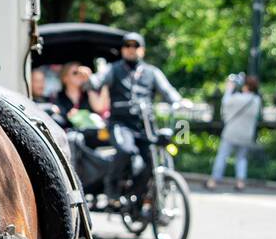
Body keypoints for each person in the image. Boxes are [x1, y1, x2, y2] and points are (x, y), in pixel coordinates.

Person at [75, 32, 185, 201]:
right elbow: (98, 80)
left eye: (135, 46)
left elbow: (168, 91)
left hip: (145, 126)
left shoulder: (152, 72)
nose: (131, 49)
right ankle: (111, 186)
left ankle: (138, 197)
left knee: (152, 159)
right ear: (122, 49)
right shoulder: (113, 69)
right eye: (127, 46)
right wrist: (91, 81)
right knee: (126, 150)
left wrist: (178, 102)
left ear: (142, 50)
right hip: (120, 124)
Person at [207, 74, 262, 191]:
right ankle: (240, 182)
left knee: (222, 157)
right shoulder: (256, 100)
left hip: (231, 132)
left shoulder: (237, 98)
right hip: (246, 134)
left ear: (246, 86)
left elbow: (225, 103)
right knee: (241, 158)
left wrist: (229, 89)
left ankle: (213, 181)